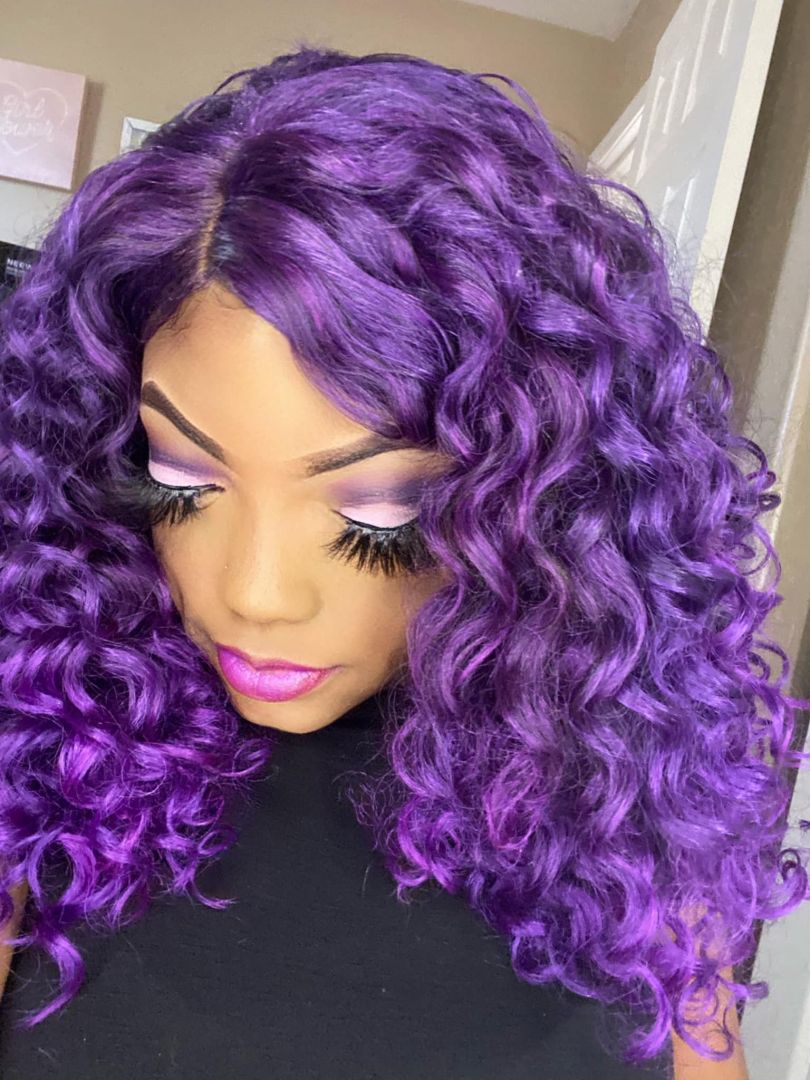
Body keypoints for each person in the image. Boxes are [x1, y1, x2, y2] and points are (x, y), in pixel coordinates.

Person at [0, 42, 807, 1079]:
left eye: (379, 513)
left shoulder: (634, 806)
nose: (254, 595)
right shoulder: (39, 759)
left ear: (535, 501)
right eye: (183, 479)